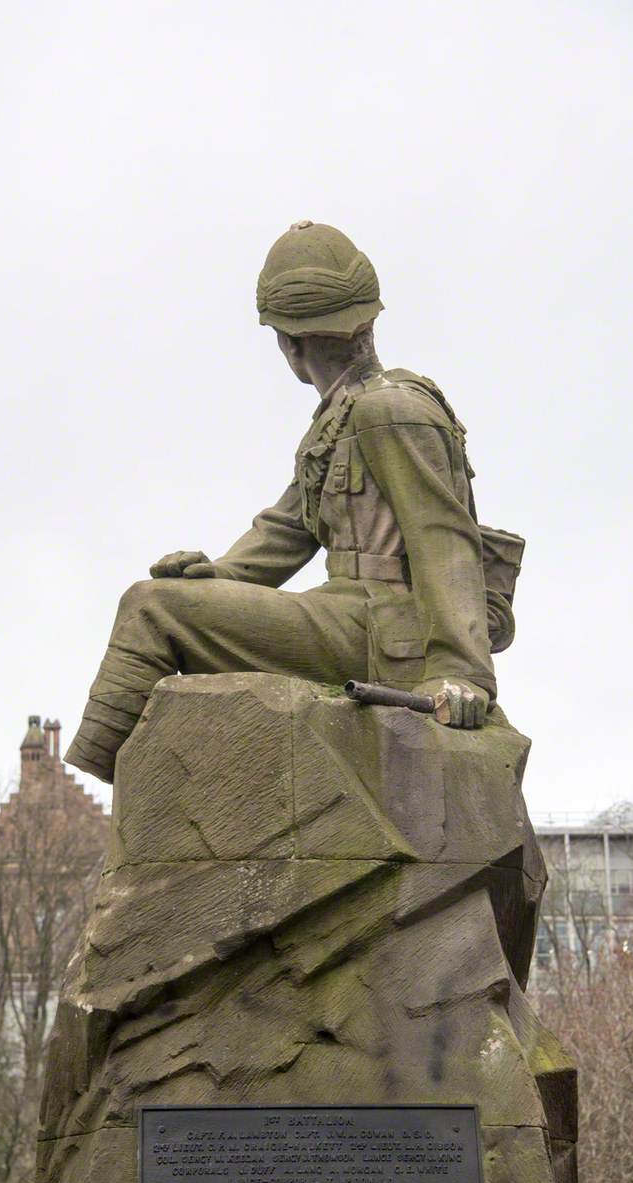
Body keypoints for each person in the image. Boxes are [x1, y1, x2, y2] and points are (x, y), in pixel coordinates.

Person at [66, 221, 522, 784]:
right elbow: (286, 528)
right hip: (350, 614)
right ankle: (143, 805)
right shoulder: (341, 417)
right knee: (168, 600)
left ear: (290, 342)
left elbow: (443, 539)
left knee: (150, 608)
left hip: (382, 632)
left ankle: (121, 794)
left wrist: (461, 673)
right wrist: (218, 574)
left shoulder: (390, 410)